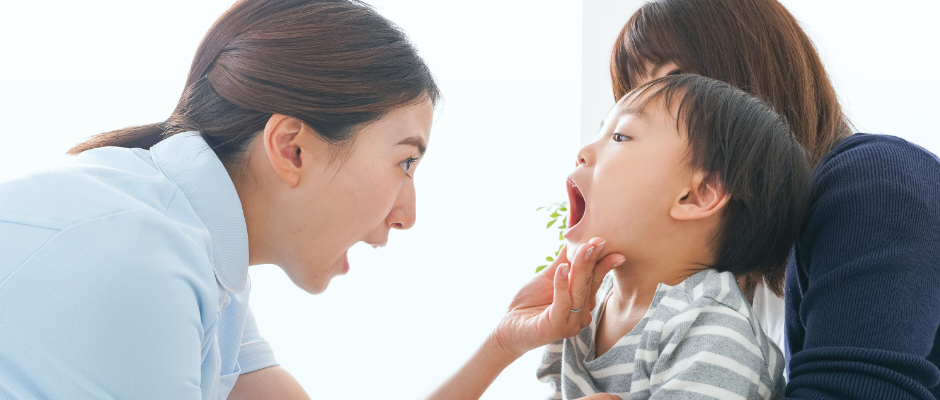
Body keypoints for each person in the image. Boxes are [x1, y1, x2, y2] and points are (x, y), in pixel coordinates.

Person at [0, 1, 624, 399]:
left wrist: (503, 343)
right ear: (292, 148)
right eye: (405, 160)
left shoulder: (199, 263)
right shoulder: (137, 261)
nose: (409, 214)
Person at [608, 0, 940, 398]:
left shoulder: (878, 182)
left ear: (753, 70)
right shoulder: (718, 275)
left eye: (674, 80)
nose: (647, 111)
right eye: (634, 95)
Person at [536, 74, 807, 399]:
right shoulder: (579, 309)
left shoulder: (712, 331)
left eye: (620, 136)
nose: (583, 152)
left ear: (697, 195)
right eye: (600, 132)